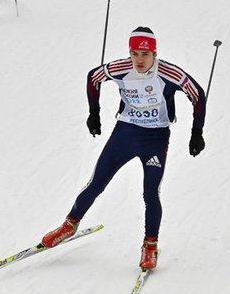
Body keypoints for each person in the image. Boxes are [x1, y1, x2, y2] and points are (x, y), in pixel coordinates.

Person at [39, 27, 207, 271]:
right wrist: (93, 113)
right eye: (135, 54)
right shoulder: (121, 68)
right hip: (125, 133)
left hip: (155, 139)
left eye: (145, 54)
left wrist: (196, 132)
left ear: (154, 53)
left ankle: (150, 245)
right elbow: (93, 77)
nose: (139, 60)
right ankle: (69, 225)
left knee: (151, 193)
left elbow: (197, 94)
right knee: (96, 183)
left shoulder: (168, 72)